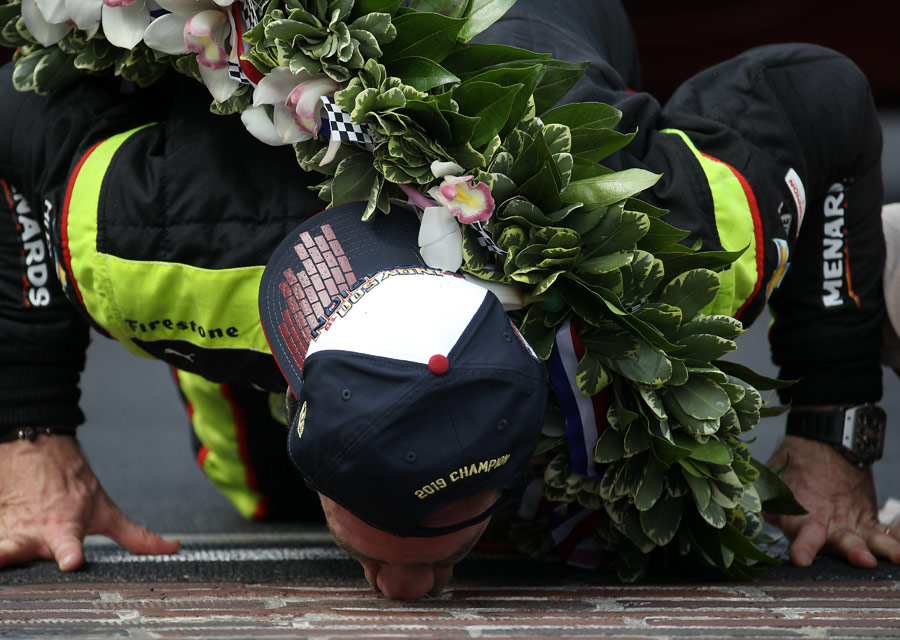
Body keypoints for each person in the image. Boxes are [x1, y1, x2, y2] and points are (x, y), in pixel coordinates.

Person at [0, 0, 896, 600]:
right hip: (258, 164)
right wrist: (32, 435)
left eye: (448, 544)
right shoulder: (153, 241)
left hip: (545, 50)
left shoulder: (679, 246)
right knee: (257, 493)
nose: (406, 595)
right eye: (376, 550)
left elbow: (819, 92)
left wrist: (832, 433)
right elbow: (19, 119)